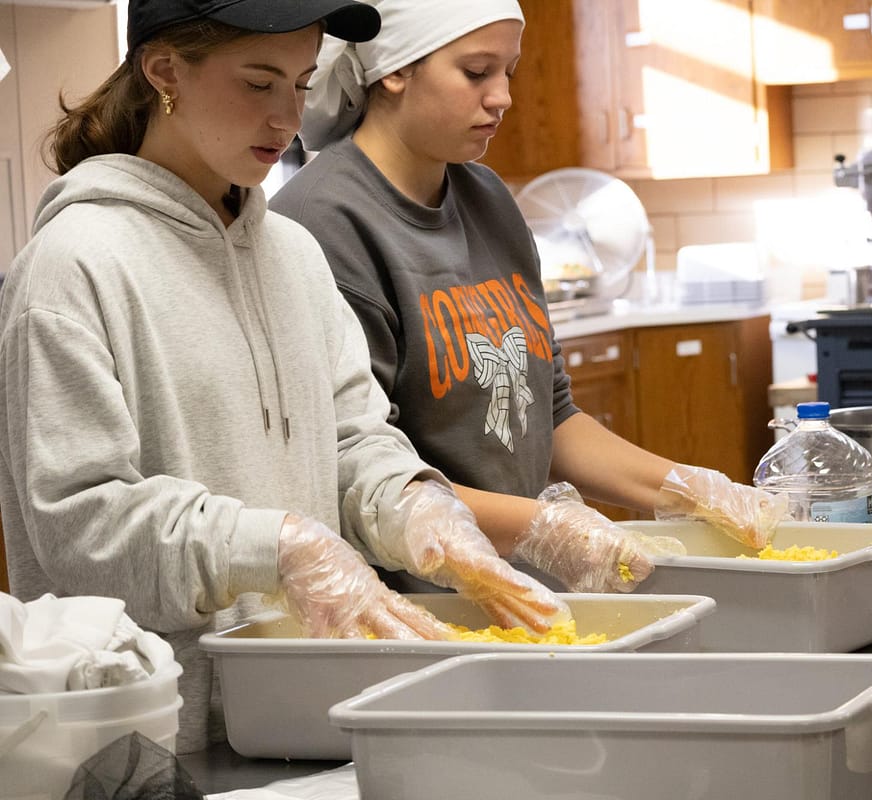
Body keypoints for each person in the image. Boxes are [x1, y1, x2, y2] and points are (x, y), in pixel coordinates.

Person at [0, 0, 568, 753]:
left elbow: (355, 439)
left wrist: (417, 510)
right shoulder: (72, 266)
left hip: (302, 715)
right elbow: (79, 526)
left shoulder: (294, 256)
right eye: (258, 83)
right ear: (164, 71)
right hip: (145, 743)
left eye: (300, 85)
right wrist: (277, 546)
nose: (287, 119)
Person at [270, 0, 789, 594]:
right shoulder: (323, 224)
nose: (502, 97)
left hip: (520, 589)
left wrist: (695, 490)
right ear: (395, 69)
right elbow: (360, 469)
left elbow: (552, 417)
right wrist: (544, 528)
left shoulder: (488, 199)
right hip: (411, 606)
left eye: (508, 72)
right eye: (476, 72)